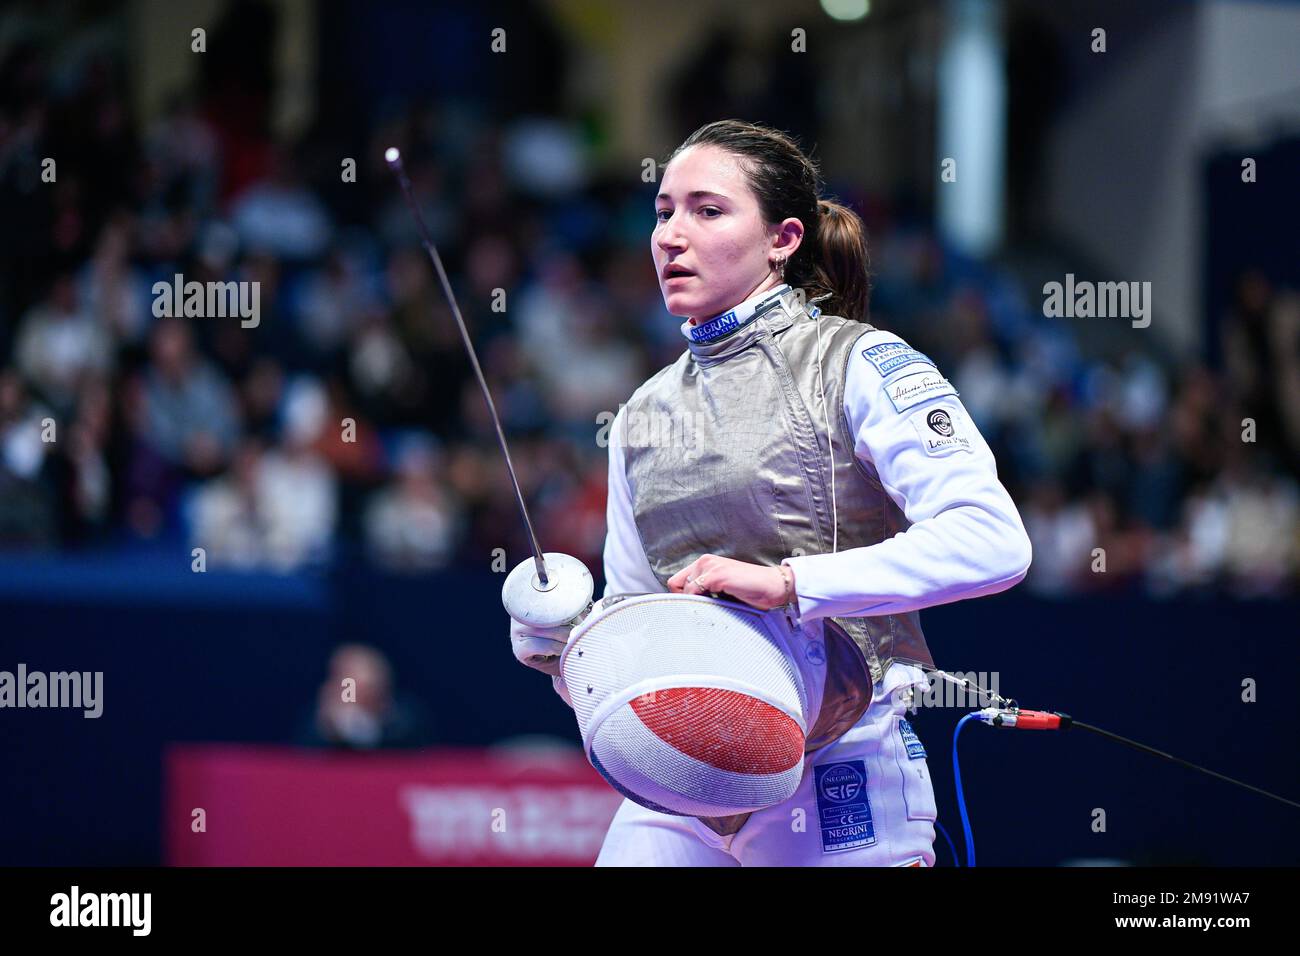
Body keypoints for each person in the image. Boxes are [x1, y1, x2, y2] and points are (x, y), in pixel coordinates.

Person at [511, 119, 1032, 866]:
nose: (671, 236)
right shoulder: (640, 417)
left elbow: (993, 540)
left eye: (707, 210)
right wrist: (567, 650)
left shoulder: (858, 363)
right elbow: (637, 630)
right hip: (681, 781)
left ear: (782, 238)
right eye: (663, 212)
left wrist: (790, 583)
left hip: (840, 767)